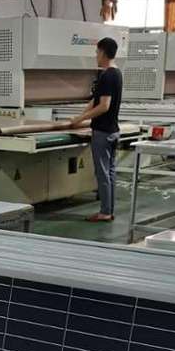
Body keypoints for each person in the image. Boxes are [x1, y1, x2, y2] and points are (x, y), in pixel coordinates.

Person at [69, 37, 123, 222]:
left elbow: (104, 106)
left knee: (102, 172)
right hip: (113, 130)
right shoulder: (116, 73)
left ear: (102, 52)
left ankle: (105, 212)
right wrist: (80, 116)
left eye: (96, 52)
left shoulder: (107, 76)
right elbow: (96, 100)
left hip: (103, 132)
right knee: (110, 172)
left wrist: (81, 119)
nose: (95, 56)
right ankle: (109, 209)